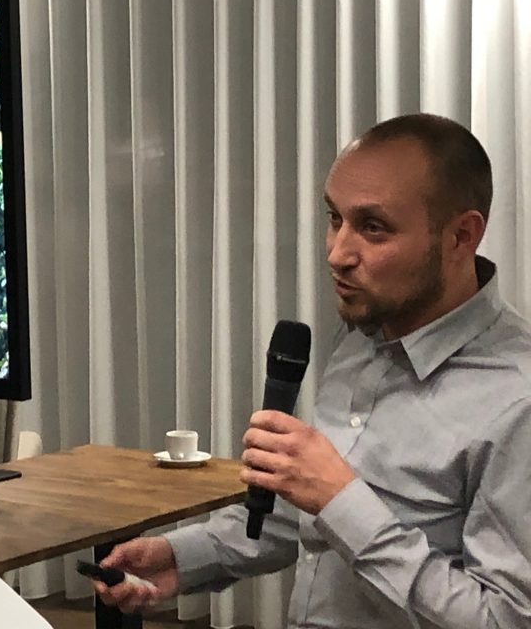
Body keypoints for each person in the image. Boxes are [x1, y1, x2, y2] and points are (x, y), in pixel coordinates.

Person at [95, 114, 531, 626]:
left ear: (461, 236)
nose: (338, 253)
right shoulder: (361, 340)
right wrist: (181, 558)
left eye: (373, 227)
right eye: (334, 218)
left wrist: (343, 500)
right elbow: (311, 521)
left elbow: (503, 619)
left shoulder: (515, 400)